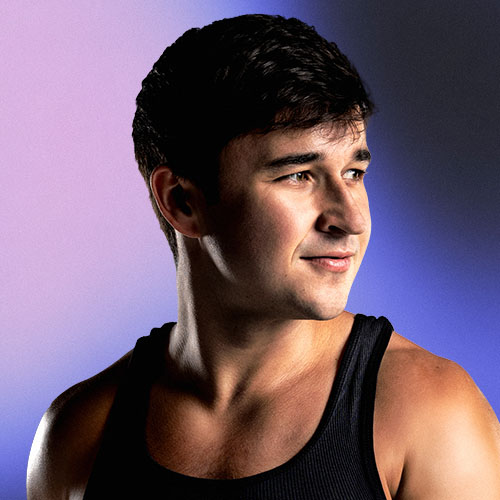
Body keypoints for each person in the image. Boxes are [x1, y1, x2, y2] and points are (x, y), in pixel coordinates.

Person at [27, 14, 500, 499]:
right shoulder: (78, 434)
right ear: (182, 202)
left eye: (354, 173)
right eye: (298, 175)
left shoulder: (430, 418)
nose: (351, 219)